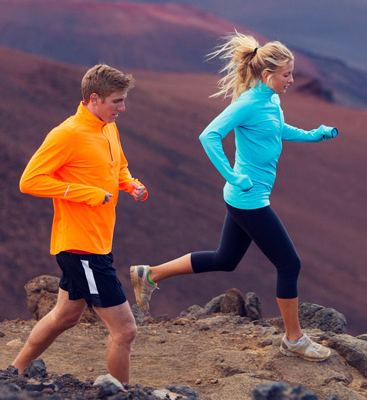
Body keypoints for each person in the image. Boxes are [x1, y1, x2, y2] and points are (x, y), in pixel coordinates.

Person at [131, 32, 337, 362]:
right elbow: (209, 135)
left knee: (225, 259)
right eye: (287, 75)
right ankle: (294, 339)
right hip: (249, 198)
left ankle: (150, 274)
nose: (292, 80)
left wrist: (314, 135)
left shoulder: (270, 100)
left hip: (245, 196)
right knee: (289, 264)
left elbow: (277, 129)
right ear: (268, 75)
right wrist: (231, 175)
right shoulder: (247, 103)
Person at [12, 64, 147, 383]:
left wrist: (130, 184)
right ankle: (121, 392)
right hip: (81, 247)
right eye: (117, 101)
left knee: (64, 316)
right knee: (125, 330)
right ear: (95, 99)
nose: (122, 108)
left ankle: (13, 371)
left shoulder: (108, 127)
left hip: (97, 242)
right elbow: (29, 181)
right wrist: (83, 192)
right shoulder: (68, 134)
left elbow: (119, 167)